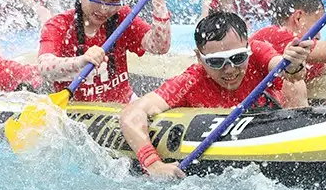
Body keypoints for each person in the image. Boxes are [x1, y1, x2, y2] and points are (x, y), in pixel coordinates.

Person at [117, 11, 312, 178]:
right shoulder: (191, 81)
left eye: (238, 58)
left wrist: (293, 65)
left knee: (295, 85)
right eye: (216, 62)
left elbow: (289, 73)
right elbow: (131, 114)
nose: (230, 69)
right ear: (199, 58)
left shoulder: (257, 52)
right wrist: (153, 164)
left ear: (248, 48)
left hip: (277, 129)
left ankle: (306, 144)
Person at [38, 0, 173, 104]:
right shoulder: (59, 25)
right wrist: (81, 61)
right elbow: (45, 68)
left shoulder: (123, 18)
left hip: (123, 104)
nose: (104, 9)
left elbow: (159, 46)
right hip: (76, 108)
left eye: (113, 2)